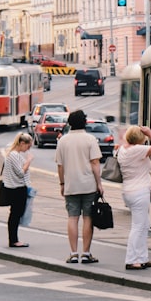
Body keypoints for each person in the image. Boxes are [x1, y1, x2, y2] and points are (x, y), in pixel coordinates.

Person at [55, 109, 103, 264]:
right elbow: (95, 163)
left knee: (72, 218)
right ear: (84, 122)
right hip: (88, 185)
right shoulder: (90, 139)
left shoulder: (63, 140)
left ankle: (73, 253)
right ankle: (86, 253)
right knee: (88, 218)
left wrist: (62, 183)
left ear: (69, 123)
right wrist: (99, 183)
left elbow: (60, 166)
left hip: (71, 185)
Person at [116, 126, 151, 270]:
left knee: (144, 225)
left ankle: (142, 257)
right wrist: (150, 133)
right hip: (139, 192)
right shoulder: (137, 150)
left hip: (129, 192)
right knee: (138, 227)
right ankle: (131, 260)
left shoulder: (122, 150)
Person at [2, 133, 33, 248]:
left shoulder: (14, 154)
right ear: (21, 143)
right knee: (15, 214)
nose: (28, 149)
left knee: (15, 214)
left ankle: (14, 239)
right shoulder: (14, 155)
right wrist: (28, 161)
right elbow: (20, 173)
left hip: (15, 188)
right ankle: (14, 240)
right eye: (28, 146)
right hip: (16, 188)